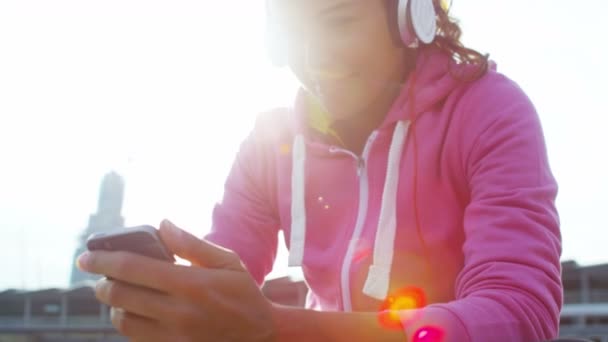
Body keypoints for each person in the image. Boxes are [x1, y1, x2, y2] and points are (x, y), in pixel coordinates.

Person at [77, 0, 563, 341]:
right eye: (293, 33)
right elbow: (224, 280)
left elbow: (518, 318)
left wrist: (277, 329)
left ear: (407, 17)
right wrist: (181, 307)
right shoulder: (271, 143)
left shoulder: (491, 112)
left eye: (338, 21)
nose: (313, 59)